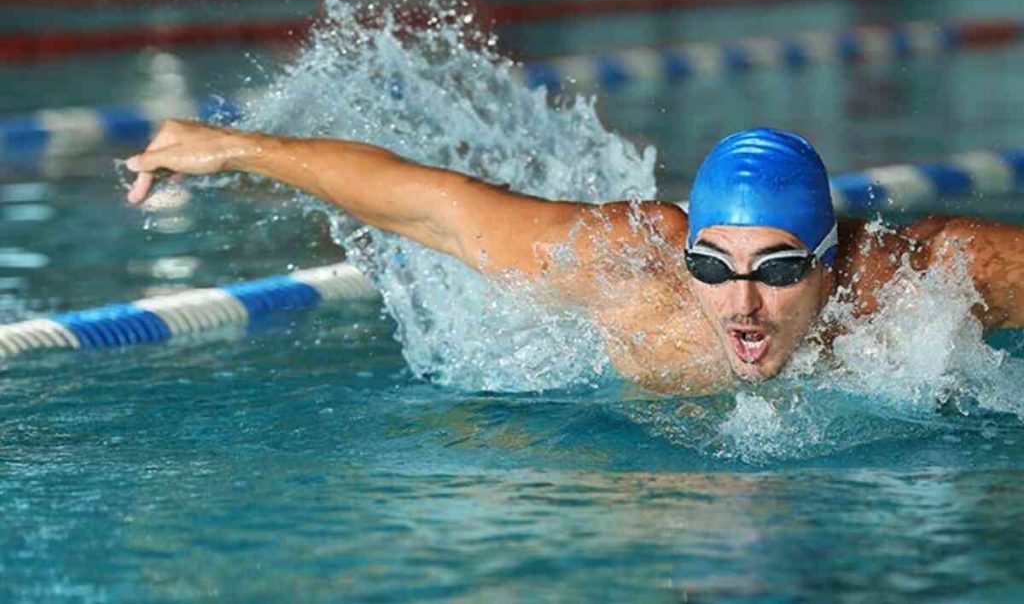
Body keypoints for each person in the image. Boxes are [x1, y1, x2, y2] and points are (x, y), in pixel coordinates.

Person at [125, 122, 1024, 393]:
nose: (742, 304)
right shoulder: (626, 271)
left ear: (831, 263)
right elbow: (429, 205)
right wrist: (232, 149)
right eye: (713, 267)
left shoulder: (918, 281)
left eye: (779, 269)